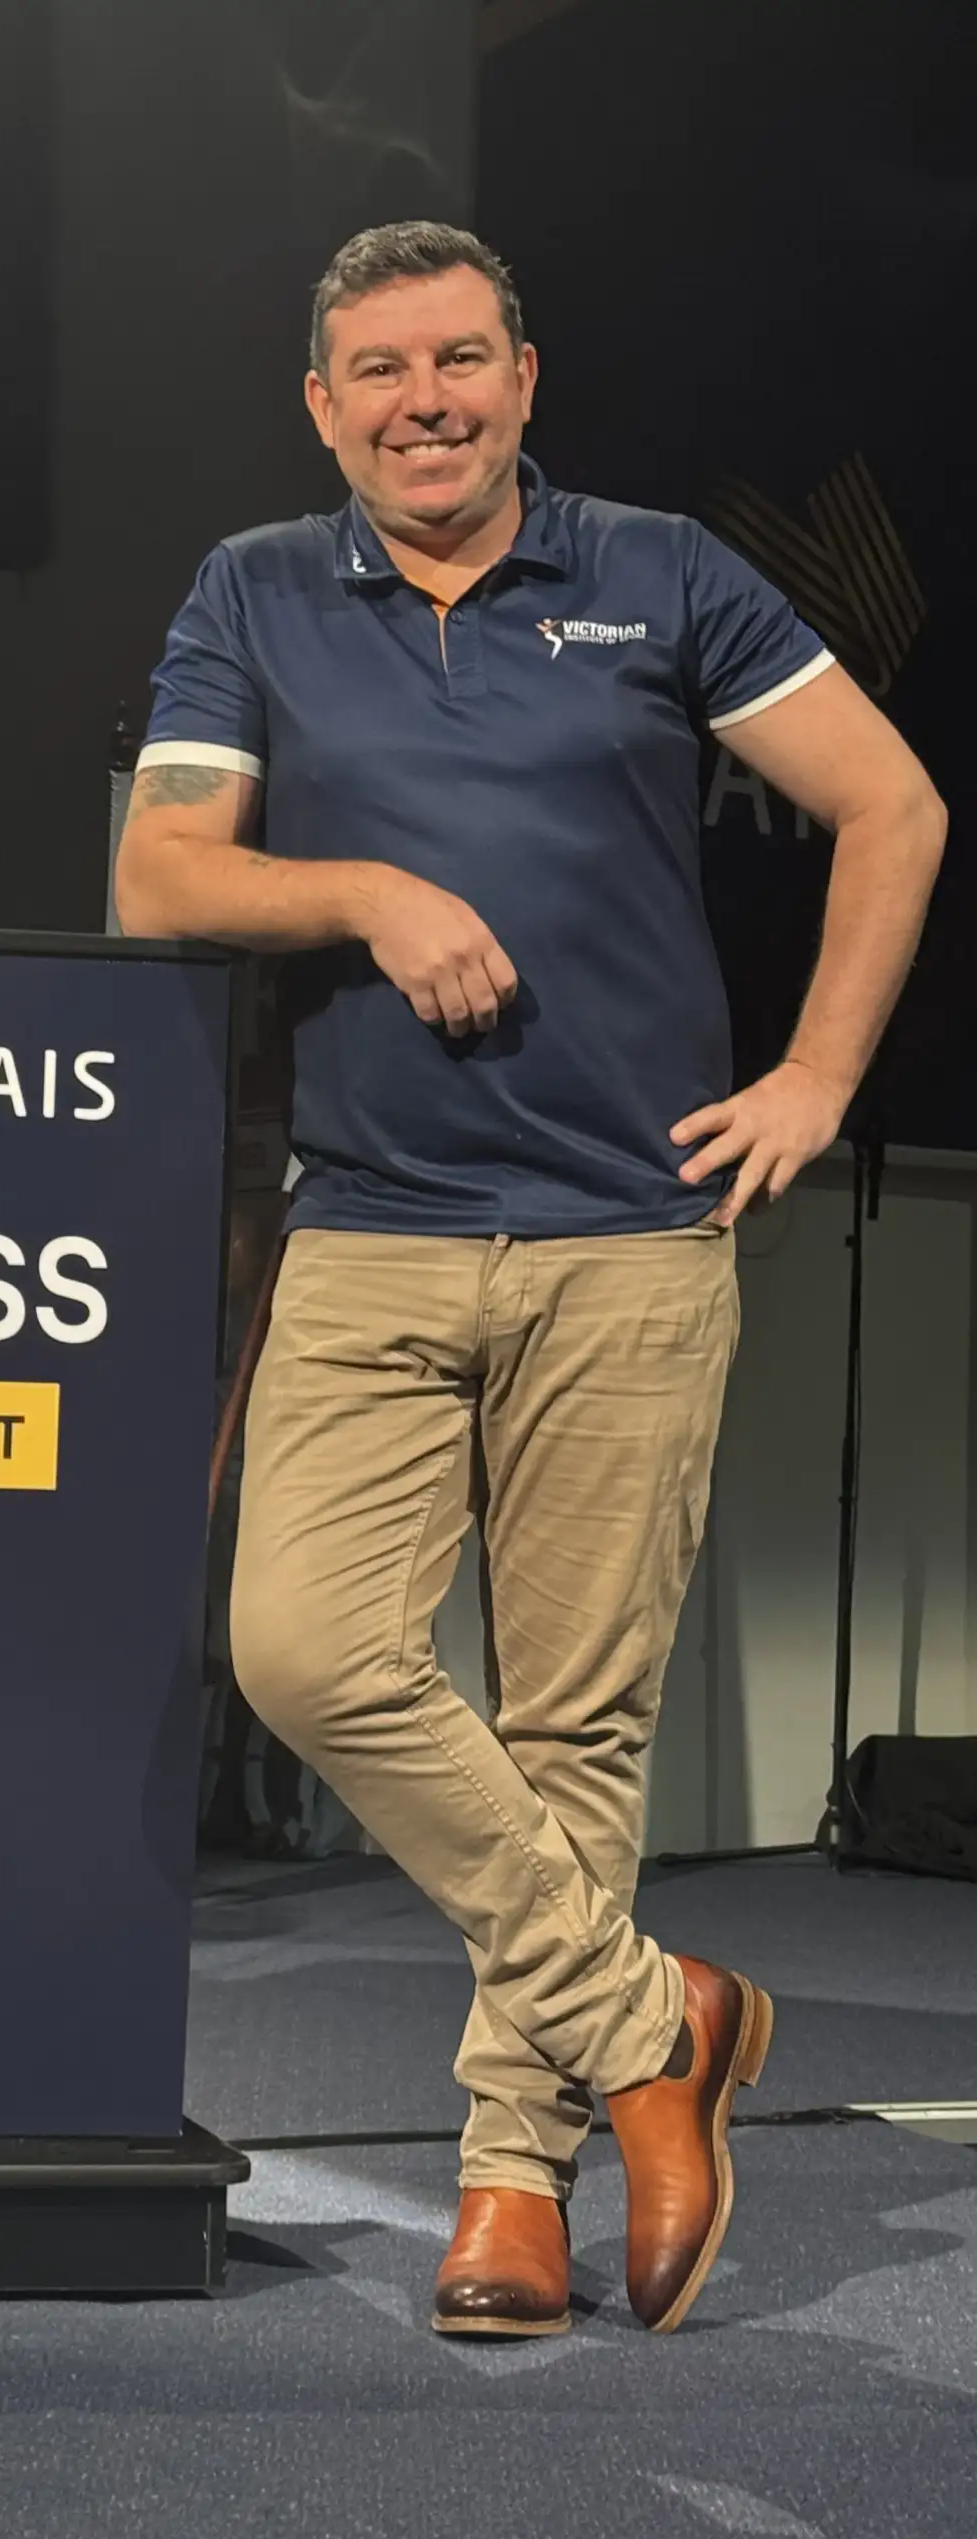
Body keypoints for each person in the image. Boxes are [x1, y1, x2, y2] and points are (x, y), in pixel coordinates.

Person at [115, 221, 946, 2338]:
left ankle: (512, 2179)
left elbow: (891, 806)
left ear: (524, 375)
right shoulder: (255, 592)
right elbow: (161, 877)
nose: (427, 402)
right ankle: (658, 2019)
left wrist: (820, 1078)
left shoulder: (663, 573)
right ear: (325, 408)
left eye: (461, 360)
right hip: (370, 1229)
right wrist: (374, 892)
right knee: (303, 1652)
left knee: (578, 1723)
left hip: (630, 1240)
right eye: (382, 372)